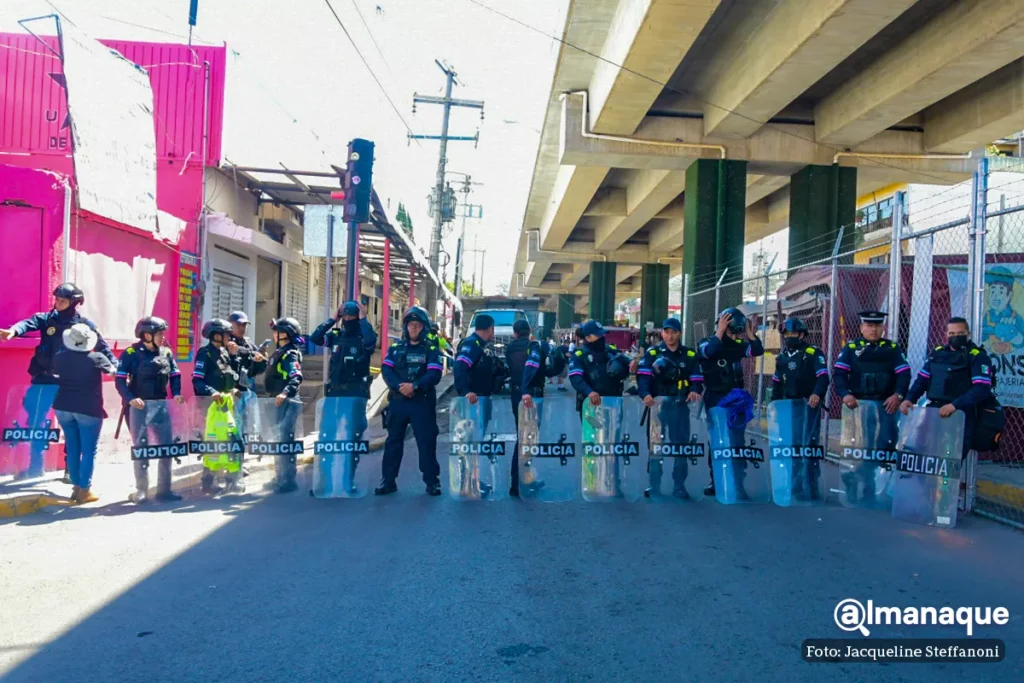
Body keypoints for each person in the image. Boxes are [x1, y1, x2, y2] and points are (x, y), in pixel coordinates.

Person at [0, 283, 115, 479]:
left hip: (69, 383)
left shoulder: (84, 326)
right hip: (43, 378)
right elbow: (27, 324)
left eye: (62, 300)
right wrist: (13, 332)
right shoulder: (46, 319)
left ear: (74, 303)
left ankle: (72, 470)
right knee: (36, 422)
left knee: (73, 425)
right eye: (57, 298)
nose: (57, 302)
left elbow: (103, 348)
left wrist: (118, 369)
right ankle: (35, 467)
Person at [832, 310, 911, 503]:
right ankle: (851, 483)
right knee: (858, 448)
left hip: (886, 406)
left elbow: (904, 374)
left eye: (877, 325)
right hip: (858, 406)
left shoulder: (892, 349)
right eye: (869, 325)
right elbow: (839, 374)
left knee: (883, 446)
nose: (873, 329)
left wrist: (898, 395)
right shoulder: (851, 348)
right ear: (862, 327)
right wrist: (845, 394)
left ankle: (872, 486)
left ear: (882, 327)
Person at [116, 316, 186, 504]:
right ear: (147, 335)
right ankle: (141, 490)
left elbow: (175, 374)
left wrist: (177, 393)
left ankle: (164, 490)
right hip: (139, 408)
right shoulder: (130, 353)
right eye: (159, 333)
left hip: (161, 407)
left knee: (166, 448)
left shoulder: (167, 353)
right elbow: (120, 380)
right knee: (142, 449)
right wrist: (130, 399)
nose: (163, 336)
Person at [901, 317, 993, 459]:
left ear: (968, 334)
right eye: (952, 334)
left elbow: (981, 389)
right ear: (946, 335)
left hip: (960, 414)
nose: (956, 337)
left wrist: (955, 405)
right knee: (926, 459)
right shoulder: (937, 353)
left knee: (950, 463)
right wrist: (909, 399)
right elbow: (922, 380)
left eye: (960, 333)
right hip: (932, 413)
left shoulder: (977, 356)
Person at [697, 308, 764, 497]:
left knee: (736, 440)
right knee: (718, 440)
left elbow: (757, 350)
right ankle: (716, 480)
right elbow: (710, 351)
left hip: (735, 398)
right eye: (728, 328)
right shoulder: (706, 342)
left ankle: (738, 482)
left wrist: (750, 333)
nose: (731, 333)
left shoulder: (738, 345)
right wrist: (720, 331)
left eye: (733, 329)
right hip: (715, 397)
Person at [379, 307, 444, 496]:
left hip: (421, 402)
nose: (413, 328)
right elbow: (386, 370)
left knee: (426, 443)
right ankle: (388, 481)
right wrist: (399, 386)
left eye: (417, 325)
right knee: (393, 443)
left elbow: (434, 373)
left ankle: (432, 482)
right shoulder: (395, 348)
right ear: (405, 327)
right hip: (398, 402)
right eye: (410, 325)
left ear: (423, 327)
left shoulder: (431, 349)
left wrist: (414, 386)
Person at [637, 318, 703, 499]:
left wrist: (694, 391)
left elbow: (697, 379)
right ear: (662, 333)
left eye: (673, 332)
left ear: (680, 333)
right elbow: (643, 379)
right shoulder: (653, 353)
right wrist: (645, 395)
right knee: (655, 447)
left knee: (681, 447)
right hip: (657, 409)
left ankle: (679, 486)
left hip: (681, 408)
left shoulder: (689, 355)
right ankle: (654, 485)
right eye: (667, 332)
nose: (670, 335)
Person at [52, 323, 115, 503]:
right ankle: (84, 490)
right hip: (88, 408)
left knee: (72, 448)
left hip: (63, 406)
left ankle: (76, 486)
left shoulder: (59, 357)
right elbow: (113, 372)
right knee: (88, 451)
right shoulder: (96, 357)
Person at [769, 317, 829, 501]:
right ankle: (794, 481)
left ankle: (810, 485)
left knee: (807, 445)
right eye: (787, 334)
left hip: (808, 406)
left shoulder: (813, 353)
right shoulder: (782, 357)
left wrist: (816, 394)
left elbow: (823, 377)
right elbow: (777, 382)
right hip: (789, 407)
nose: (790, 337)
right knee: (790, 445)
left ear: (802, 334)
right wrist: (773, 406)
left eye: (794, 333)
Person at [506, 319, 564, 496]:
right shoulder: (534, 347)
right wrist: (527, 389)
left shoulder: (510, 348)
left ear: (514, 333)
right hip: (531, 396)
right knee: (527, 439)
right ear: (530, 330)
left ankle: (524, 479)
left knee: (524, 437)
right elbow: (532, 367)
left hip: (516, 394)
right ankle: (519, 483)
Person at [192, 319, 243, 494]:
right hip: (211, 407)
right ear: (216, 335)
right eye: (226, 334)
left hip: (227, 405)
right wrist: (212, 392)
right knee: (212, 443)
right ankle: (208, 480)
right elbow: (197, 380)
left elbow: (232, 376)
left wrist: (235, 357)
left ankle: (232, 480)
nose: (229, 337)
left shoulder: (225, 352)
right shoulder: (204, 354)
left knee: (231, 441)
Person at [261, 317, 304, 494]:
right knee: (279, 441)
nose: (274, 334)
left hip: (287, 403)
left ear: (284, 334)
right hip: (276, 402)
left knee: (285, 441)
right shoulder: (280, 352)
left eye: (277, 331)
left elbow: (296, 377)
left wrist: (285, 392)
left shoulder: (289, 354)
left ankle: (287, 480)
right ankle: (279, 476)